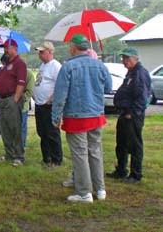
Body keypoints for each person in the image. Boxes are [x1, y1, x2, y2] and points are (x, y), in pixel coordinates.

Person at [52, 34, 112, 203]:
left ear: (73, 47)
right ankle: (100, 189)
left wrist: (56, 116)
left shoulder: (69, 67)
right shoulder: (100, 65)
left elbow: (60, 95)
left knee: (80, 154)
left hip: (76, 115)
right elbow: (108, 86)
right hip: (96, 113)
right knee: (95, 152)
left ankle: (84, 192)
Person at [107, 47, 151, 184]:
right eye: (123, 58)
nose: (124, 61)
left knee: (134, 145)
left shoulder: (140, 73)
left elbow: (142, 97)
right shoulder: (130, 73)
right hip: (124, 113)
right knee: (122, 144)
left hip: (132, 115)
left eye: (127, 58)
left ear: (135, 58)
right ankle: (121, 170)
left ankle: (135, 174)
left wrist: (132, 113)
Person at [0, 39, 27, 166]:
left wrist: (16, 98)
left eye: (7, 48)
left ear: (14, 48)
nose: (5, 50)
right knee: (4, 128)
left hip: (12, 98)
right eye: (4, 48)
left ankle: (19, 155)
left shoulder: (19, 63)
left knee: (15, 127)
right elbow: (2, 80)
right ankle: (9, 153)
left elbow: (21, 82)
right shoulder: (6, 65)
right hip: (2, 99)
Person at [33, 41, 63, 167]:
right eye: (39, 52)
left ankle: (57, 159)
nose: (40, 54)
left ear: (49, 52)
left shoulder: (55, 66)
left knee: (52, 132)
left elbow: (60, 85)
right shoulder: (43, 66)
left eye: (42, 52)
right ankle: (46, 157)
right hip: (39, 104)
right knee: (42, 132)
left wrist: (52, 98)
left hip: (49, 105)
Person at [22, 68, 35, 149]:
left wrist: (20, 99)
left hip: (22, 106)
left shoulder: (28, 73)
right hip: (10, 106)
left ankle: (22, 146)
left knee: (22, 127)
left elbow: (30, 90)